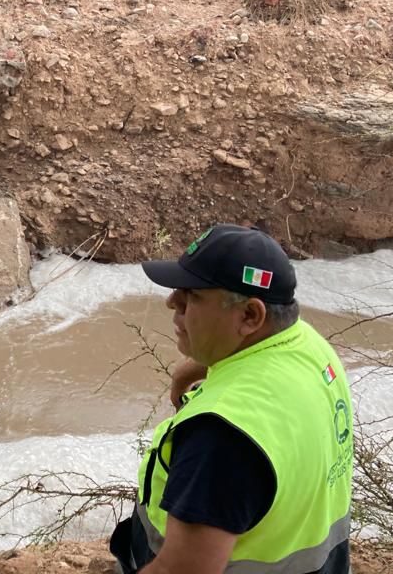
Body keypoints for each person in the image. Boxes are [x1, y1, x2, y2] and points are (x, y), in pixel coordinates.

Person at [109, 224, 353, 574]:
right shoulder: (307, 346)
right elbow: (254, 348)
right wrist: (188, 372)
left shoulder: (221, 439)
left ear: (250, 315)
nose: (172, 302)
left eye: (192, 295)